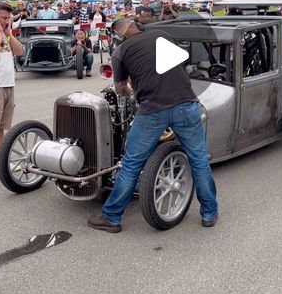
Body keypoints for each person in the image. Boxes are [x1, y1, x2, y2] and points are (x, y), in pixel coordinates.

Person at [87, 17, 218, 233]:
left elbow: (120, 88)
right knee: (199, 160)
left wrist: (131, 89)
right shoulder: (163, 36)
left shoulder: (120, 52)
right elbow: (175, 67)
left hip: (151, 111)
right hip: (185, 104)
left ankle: (111, 216)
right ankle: (209, 213)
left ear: (118, 36)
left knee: (130, 164)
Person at [0, 0, 23, 181]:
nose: (6, 21)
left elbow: (19, 52)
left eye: (8, 18)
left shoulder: (4, 33)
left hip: (7, 85)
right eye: (3, 18)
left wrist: (8, 34)